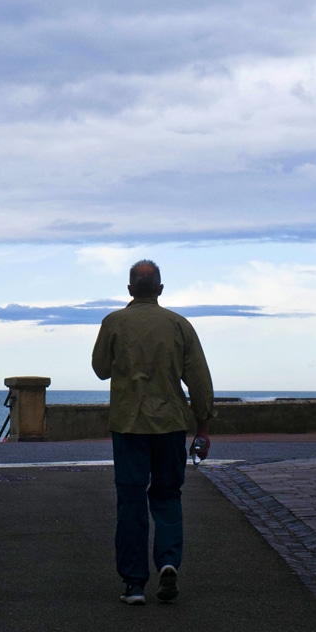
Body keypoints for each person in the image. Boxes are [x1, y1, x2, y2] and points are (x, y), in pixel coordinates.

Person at [91, 259, 214, 606]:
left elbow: (100, 369)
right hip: (171, 424)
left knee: (130, 501)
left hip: (129, 424)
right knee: (167, 495)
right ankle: (169, 561)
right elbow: (199, 379)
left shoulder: (113, 323)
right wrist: (202, 425)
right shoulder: (179, 325)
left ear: (130, 290)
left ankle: (133, 583)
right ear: (160, 289)